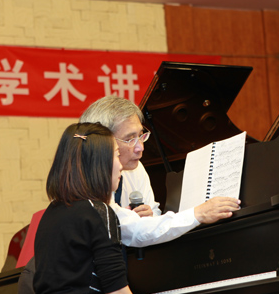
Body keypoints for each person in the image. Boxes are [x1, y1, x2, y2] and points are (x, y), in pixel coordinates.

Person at [22, 122, 196, 294]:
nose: (121, 166)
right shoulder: (99, 212)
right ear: (100, 164)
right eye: (116, 155)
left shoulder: (51, 213)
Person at [79, 95, 240, 247]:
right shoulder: (83, 180)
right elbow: (130, 230)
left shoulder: (135, 168)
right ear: (101, 143)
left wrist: (149, 217)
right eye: (130, 139)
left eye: (141, 136)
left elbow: (151, 220)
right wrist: (198, 214)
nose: (140, 147)